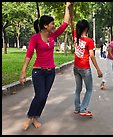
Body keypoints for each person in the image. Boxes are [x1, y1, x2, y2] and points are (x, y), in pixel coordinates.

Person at [19, 2, 72, 130]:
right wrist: (23, 72)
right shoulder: (35, 38)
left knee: (44, 96)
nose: (54, 26)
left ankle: (36, 117)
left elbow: (65, 23)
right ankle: (29, 116)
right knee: (40, 95)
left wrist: (67, 7)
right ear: (45, 25)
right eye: (52, 24)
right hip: (38, 72)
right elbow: (29, 55)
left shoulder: (53, 36)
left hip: (50, 72)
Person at [72, 19, 103, 117]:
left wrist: (70, 8)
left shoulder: (75, 36)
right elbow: (92, 56)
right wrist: (98, 69)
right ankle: (83, 109)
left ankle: (77, 108)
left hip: (76, 67)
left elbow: (71, 22)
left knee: (78, 89)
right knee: (89, 89)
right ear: (87, 28)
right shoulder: (89, 41)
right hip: (85, 68)